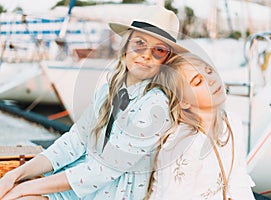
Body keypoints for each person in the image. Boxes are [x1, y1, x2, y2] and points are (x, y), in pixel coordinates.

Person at [0, 5, 187, 199]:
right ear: (125, 46)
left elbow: (103, 170)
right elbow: (74, 142)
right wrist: (15, 176)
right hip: (76, 184)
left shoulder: (156, 106)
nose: (146, 55)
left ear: (167, 60)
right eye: (139, 43)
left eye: (159, 50)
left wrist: (24, 188)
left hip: (112, 193)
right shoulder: (108, 90)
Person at [147, 52, 256, 200]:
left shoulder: (231, 122)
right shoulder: (181, 145)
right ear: (184, 102)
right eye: (198, 81)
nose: (211, 80)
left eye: (209, 71)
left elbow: (239, 179)